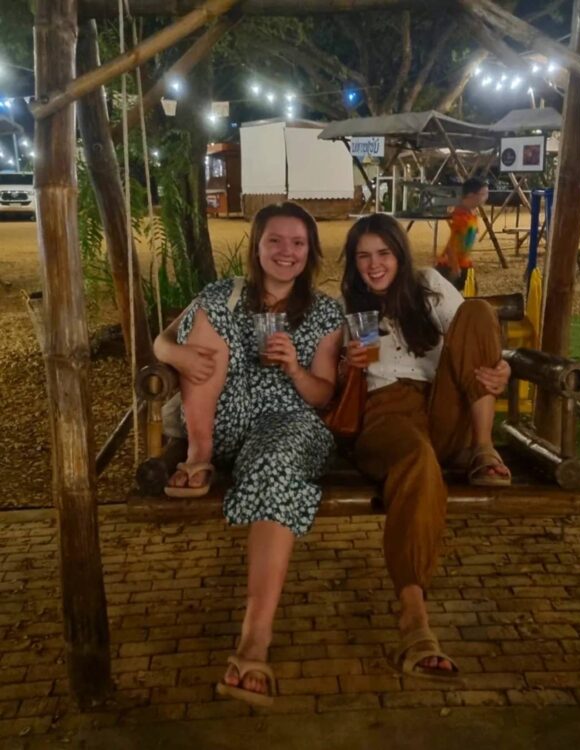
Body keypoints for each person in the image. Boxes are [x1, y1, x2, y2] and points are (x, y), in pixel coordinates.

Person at [154, 202, 344, 705]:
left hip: (291, 422)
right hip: (226, 418)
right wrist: (174, 353)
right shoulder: (227, 294)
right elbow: (163, 340)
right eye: (275, 241)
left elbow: (324, 396)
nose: (286, 252)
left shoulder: (324, 312)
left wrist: (294, 369)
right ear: (257, 247)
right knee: (211, 310)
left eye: (297, 243)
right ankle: (199, 453)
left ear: (310, 252)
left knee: (276, 463)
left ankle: (254, 638)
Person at [341, 213, 511, 683]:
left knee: (478, 311)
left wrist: (503, 370)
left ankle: (483, 447)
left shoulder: (429, 286)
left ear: (399, 251)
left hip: (443, 409)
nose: (374, 266)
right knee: (415, 457)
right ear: (353, 265)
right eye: (363, 257)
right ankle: (414, 615)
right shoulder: (352, 306)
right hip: (384, 414)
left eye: (383, 253)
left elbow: (473, 338)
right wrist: (350, 363)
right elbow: (338, 385)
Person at [435, 177, 489, 291]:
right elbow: (451, 246)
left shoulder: (470, 213)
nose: (486, 197)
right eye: (483, 194)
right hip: (451, 265)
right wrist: (455, 267)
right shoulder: (461, 217)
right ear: (470, 195)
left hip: (462, 263)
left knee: (471, 295)